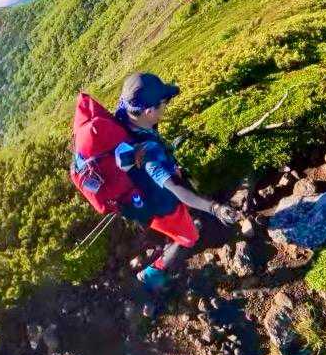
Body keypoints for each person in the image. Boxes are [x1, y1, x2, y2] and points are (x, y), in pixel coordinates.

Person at [71, 72, 237, 294]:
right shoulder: (148, 155)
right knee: (189, 237)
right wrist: (214, 208)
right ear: (149, 111)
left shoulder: (124, 114)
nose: (166, 106)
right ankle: (152, 272)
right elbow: (176, 188)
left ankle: (174, 231)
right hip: (158, 206)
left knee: (178, 215)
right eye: (164, 102)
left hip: (138, 198)